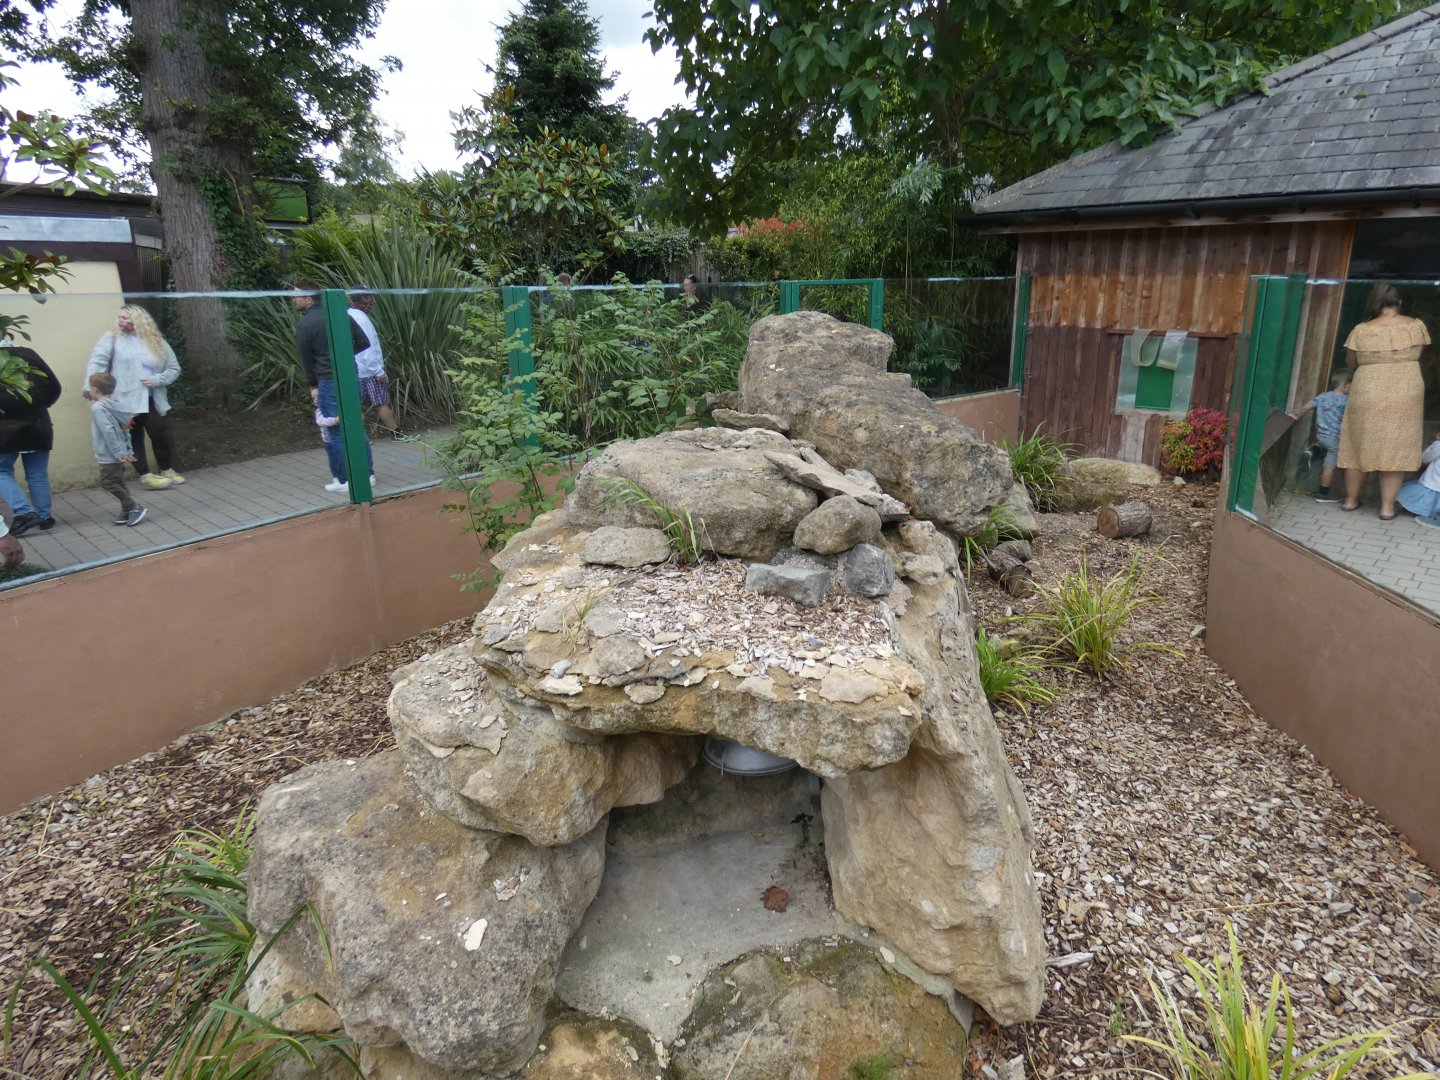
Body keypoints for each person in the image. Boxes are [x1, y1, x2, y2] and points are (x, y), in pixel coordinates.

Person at [1336, 283, 1430, 520]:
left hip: (1368, 386)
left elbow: (1351, 361)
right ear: (1399, 301)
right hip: (1406, 388)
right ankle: (1386, 508)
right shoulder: (1416, 326)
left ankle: (1350, 501)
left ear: (1374, 302)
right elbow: (1422, 355)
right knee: (1395, 447)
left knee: (1357, 445)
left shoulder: (1362, 330)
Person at [85, 305, 184, 491]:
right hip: (124, 401)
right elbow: (96, 364)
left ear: (139, 321)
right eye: (120, 318)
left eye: (126, 318)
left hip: (152, 398)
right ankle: (146, 476)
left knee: (160, 433)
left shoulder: (155, 341)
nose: (121, 322)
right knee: (133, 437)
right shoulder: (111, 340)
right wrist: (90, 389)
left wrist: (157, 380)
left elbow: (173, 368)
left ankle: (166, 469)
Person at [292, 281, 374, 494]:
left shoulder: (306, 325)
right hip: (350, 373)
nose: (293, 299)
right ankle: (367, 474)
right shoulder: (340, 316)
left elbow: (307, 360)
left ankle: (344, 479)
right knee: (354, 423)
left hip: (327, 380)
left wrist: (313, 385)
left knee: (334, 430)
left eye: (296, 295)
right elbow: (363, 342)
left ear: (309, 299)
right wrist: (343, 356)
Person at [0, 344, 61, 535]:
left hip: (6, 428)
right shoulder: (27, 354)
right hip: (38, 423)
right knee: (37, 473)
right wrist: (38, 407)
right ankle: (44, 516)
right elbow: (54, 387)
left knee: (1, 470)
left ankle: (24, 512)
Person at [88, 372, 146, 527]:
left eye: (90, 388)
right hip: (119, 451)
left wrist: (117, 453)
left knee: (108, 483)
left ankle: (134, 507)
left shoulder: (98, 409)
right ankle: (127, 510)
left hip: (109, 453)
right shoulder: (113, 405)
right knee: (119, 481)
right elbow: (123, 429)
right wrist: (124, 450)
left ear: (95, 389)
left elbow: (108, 431)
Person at [347, 286, 399, 436]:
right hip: (369, 370)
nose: (371, 301)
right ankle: (397, 433)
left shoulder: (349, 314)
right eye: (368, 297)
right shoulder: (362, 319)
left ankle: (356, 436)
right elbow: (367, 347)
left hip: (357, 369)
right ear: (363, 299)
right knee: (381, 403)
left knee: (356, 405)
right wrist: (378, 371)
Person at [1294, 369, 1350, 502]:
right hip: (1335, 439)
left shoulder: (1323, 396)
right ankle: (1323, 494)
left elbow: (1307, 407)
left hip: (1321, 436)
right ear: (1345, 385)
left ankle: (1310, 452)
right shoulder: (1346, 401)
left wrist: (1296, 416)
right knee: (1329, 466)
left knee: (1321, 444)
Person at [1396, 432, 1440, 529]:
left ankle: (1418, 511)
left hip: (1433, 484)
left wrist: (1436, 442)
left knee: (1420, 497)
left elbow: (1425, 458)